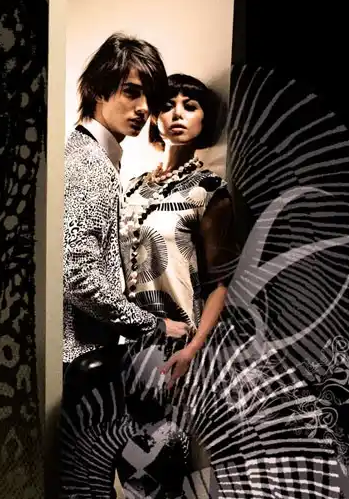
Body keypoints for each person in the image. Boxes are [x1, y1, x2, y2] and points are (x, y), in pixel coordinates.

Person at [116, 73, 248, 497]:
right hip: (121, 339)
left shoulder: (209, 190)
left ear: (203, 121)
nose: (177, 114)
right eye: (167, 105)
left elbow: (221, 282)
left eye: (190, 106)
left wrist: (193, 349)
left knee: (167, 463)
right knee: (127, 465)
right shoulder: (132, 187)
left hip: (173, 344)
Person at [62, 34, 192, 415]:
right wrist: (153, 325)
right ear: (97, 90)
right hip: (76, 363)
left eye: (149, 97)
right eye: (131, 92)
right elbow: (76, 275)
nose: (143, 108)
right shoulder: (89, 164)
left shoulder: (92, 155)